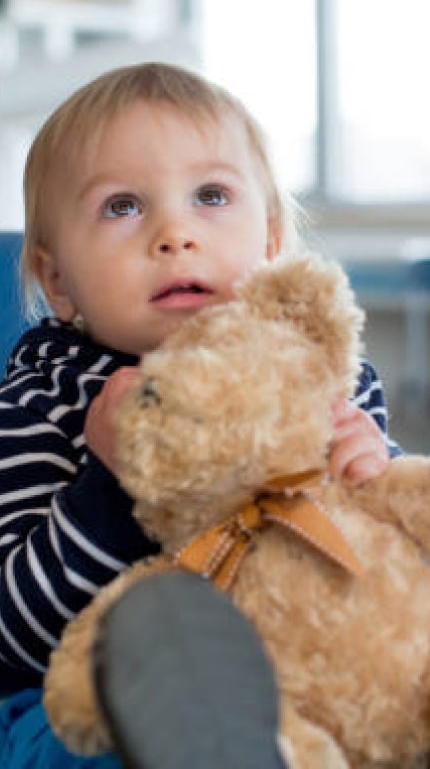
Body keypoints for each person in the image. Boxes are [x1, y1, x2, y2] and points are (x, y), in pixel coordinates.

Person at [0, 62, 401, 768]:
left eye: (211, 195)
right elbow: (14, 635)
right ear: (58, 280)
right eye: (123, 206)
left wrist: (373, 493)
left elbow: (399, 595)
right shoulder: (42, 397)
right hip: (79, 703)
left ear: (271, 243)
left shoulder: (327, 381)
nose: (175, 232)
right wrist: (113, 484)